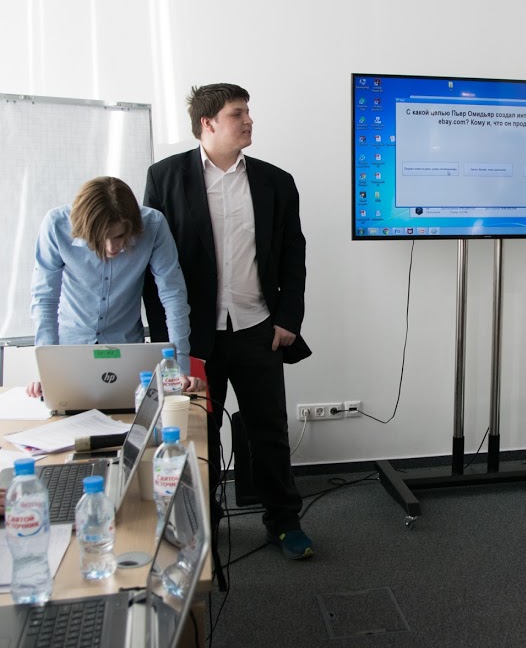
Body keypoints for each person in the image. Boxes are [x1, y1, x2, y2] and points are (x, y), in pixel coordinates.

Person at [142, 83, 313, 560]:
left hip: (258, 328)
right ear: (208, 123)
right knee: (199, 436)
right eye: (238, 113)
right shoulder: (165, 177)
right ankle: (205, 524)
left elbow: (293, 254)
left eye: (248, 112)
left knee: (269, 432)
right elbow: (152, 268)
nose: (249, 120)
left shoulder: (276, 181)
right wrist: (167, 344)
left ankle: (284, 521)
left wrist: (289, 318)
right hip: (193, 338)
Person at [28, 176, 200, 397]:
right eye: (101, 239)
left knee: (136, 414)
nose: (112, 247)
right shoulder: (56, 225)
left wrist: (180, 367)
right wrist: (46, 370)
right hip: (70, 351)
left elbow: (173, 296)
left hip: (127, 351)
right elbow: (44, 299)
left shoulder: (154, 225)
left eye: (119, 236)